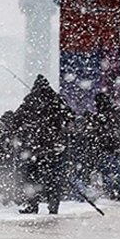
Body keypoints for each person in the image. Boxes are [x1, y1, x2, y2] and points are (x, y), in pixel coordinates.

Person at [12, 74, 74, 214]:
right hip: (53, 146)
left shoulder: (30, 100)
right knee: (54, 178)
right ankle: (53, 205)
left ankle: (32, 205)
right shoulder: (57, 101)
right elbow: (70, 116)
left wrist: (23, 128)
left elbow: (16, 120)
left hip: (34, 147)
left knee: (31, 176)